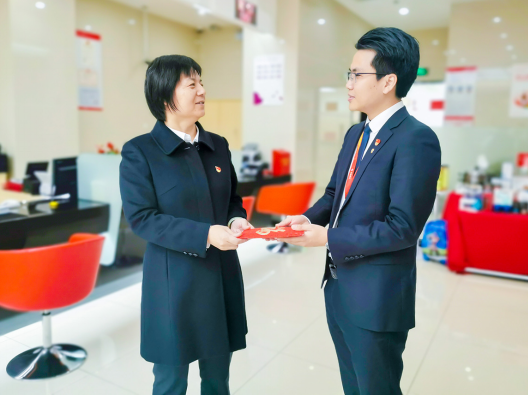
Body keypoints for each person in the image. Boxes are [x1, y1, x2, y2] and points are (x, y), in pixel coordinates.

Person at [278, 28, 442, 395]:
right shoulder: (356, 134)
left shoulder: (416, 139)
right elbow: (335, 194)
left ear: (388, 82)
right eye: (348, 74)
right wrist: (308, 219)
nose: (348, 83)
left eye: (356, 74)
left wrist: (327, 237)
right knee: (352, 385)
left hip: (377, 298)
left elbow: (402, 227)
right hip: (338, 287)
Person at [119, 55, 253, 396]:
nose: (202, 91)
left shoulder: (217, 145)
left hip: (220, 274)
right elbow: (142, 218)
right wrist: (206, 233)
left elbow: (232, 198)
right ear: (165, 96)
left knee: (217, 379)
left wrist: (236, 218)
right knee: (171, 382)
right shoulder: (140, 152)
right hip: (173, 282)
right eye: (192, 84)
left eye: (201, 82)